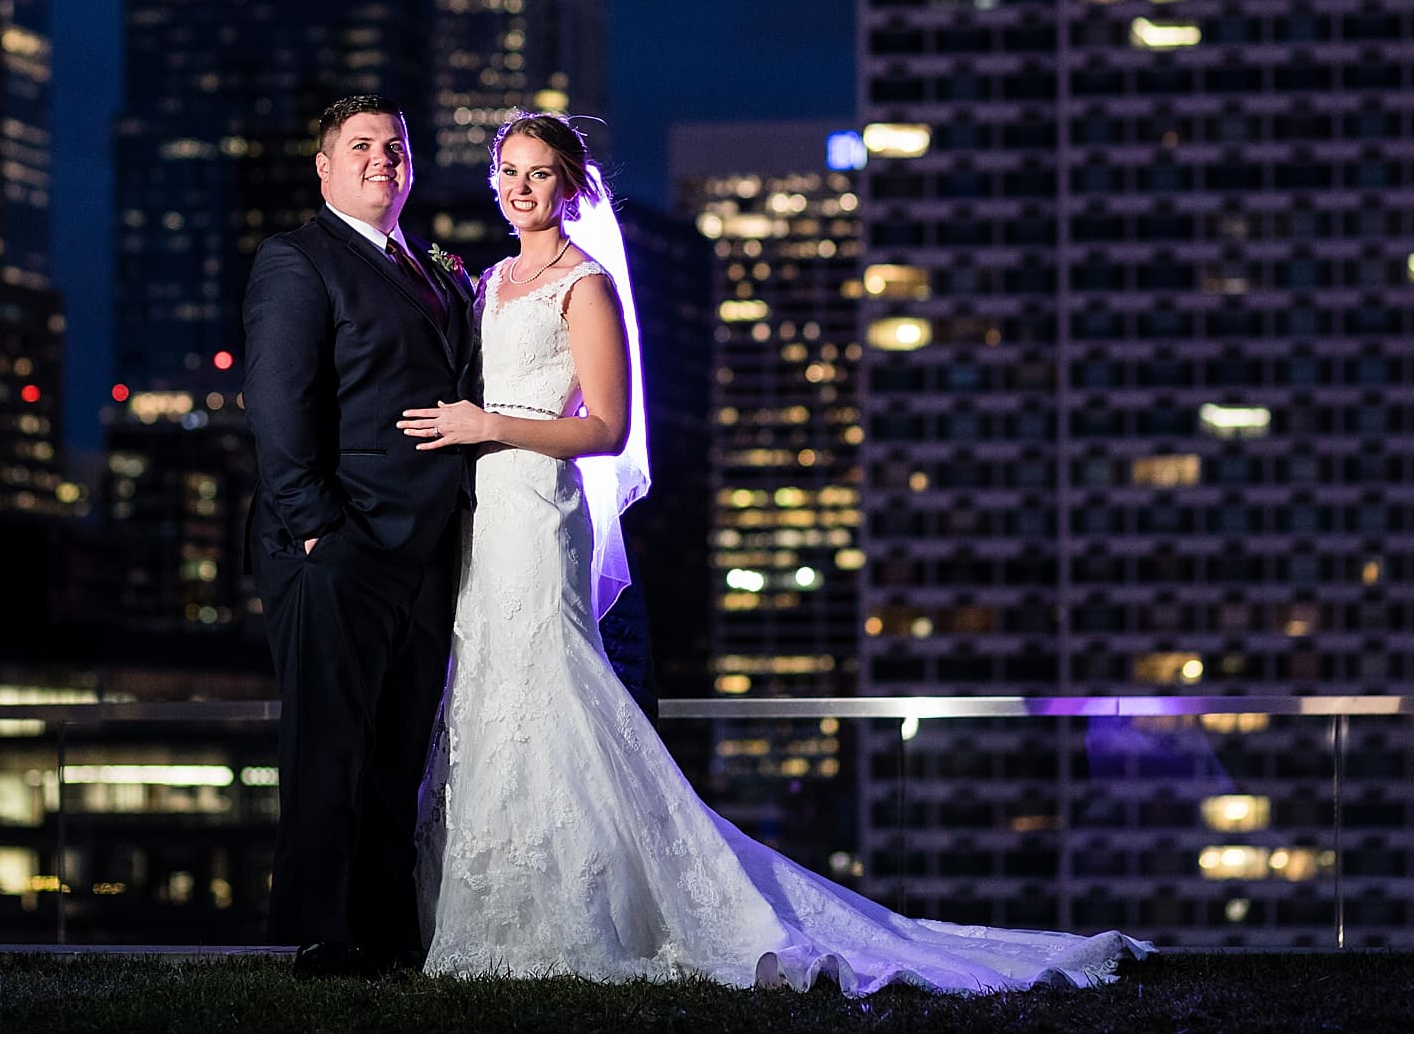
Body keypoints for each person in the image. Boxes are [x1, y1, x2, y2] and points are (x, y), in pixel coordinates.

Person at [400, 112, 1152, 994]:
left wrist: (487, 425)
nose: (521, 188)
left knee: (553, 693)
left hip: (541, 510)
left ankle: (596, 914)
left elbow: (606, 427)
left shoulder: (587, 284)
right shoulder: (489, 282)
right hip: (488, 517)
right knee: (489, 693)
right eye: (510, 172)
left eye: (539, 172)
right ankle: (498, 917)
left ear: (572, 184)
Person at [242, 94, 479, 979]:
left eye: (395, 146)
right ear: (325, 165)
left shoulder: (431, 267)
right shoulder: (298, 260)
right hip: (341, 544)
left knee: (398, 749)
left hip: (424, 545)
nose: (383, 159)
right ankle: (318, 936)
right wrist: (317, 531)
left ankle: (388, 932)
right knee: (329, 748)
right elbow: (275, 402)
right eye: (363, 146)